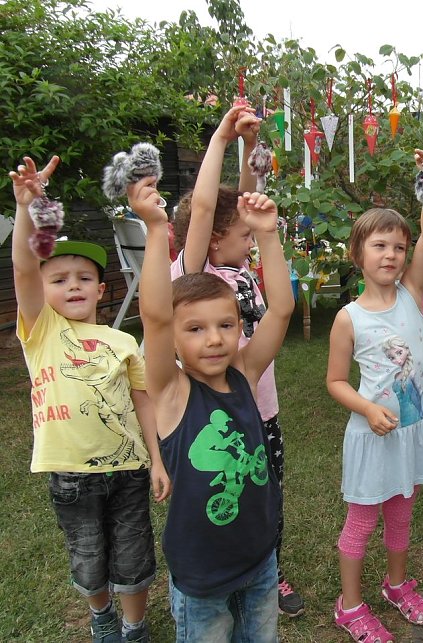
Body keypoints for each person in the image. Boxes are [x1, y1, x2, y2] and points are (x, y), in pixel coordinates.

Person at [10, 155, 171, 643]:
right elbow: (22, 266)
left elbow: (144, 402)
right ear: (40, 292)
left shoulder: (121, 341)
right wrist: (25, 208)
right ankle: (102, 617)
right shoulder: (40, 332)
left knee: (133, 550)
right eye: (58, 279)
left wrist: (158, 460)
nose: (72, 285)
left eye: (82, 278)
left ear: (101, 289)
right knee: (88, 552)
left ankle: (134, 625)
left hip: (128, 471)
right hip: (72, 476)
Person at [129, 175, 293, 642]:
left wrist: (268, 234)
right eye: (196, 329)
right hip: (201, 580)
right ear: (175, 341)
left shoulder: (245, 373)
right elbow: (156, 316)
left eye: (226, 324)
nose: (216, 337)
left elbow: (280, 309)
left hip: (260, 562)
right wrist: (157, 230)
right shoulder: (171, 391)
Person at [170, 105, 305, 616]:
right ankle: (216, 575)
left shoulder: (244, 270)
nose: (247, 241)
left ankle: (269, 565)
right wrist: (221, 140)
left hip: (258, 407)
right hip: (206, 416)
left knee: (265, 492)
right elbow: (205, 210)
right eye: (242, 235)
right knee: (211, 497)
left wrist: (252, 152)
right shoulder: (192, 275)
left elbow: (246, 203)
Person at [326, 147, 423, 643]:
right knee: (362, 522)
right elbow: (335, 382)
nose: (392, 255)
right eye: (379, 246)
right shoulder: (348, 318)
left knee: (402, 514)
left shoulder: (412, 292)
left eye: (398, 246)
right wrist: (368, 408)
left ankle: (396, 584)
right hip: (373, 437)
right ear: (359, 254)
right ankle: (349, 606)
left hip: (414, 432)